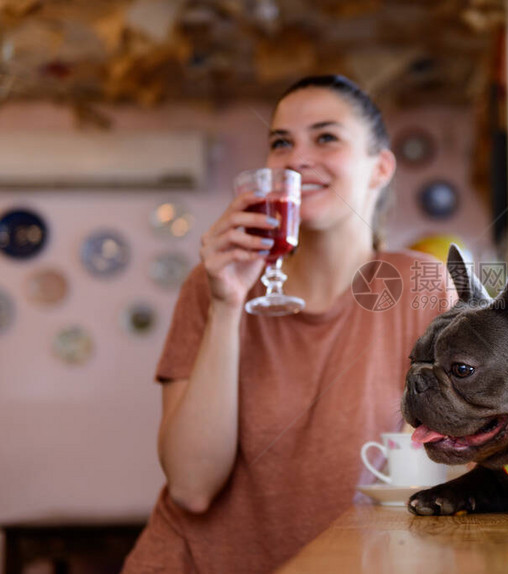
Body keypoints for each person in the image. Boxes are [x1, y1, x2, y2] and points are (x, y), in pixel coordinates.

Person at [122, 75, 453, 573]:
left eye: (325, 137)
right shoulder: (209, 285)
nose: (297, 158)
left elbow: (456, 460)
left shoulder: (420, 285)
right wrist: (227, 303)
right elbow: (192, 489)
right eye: (281, 142)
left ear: (379, 168)